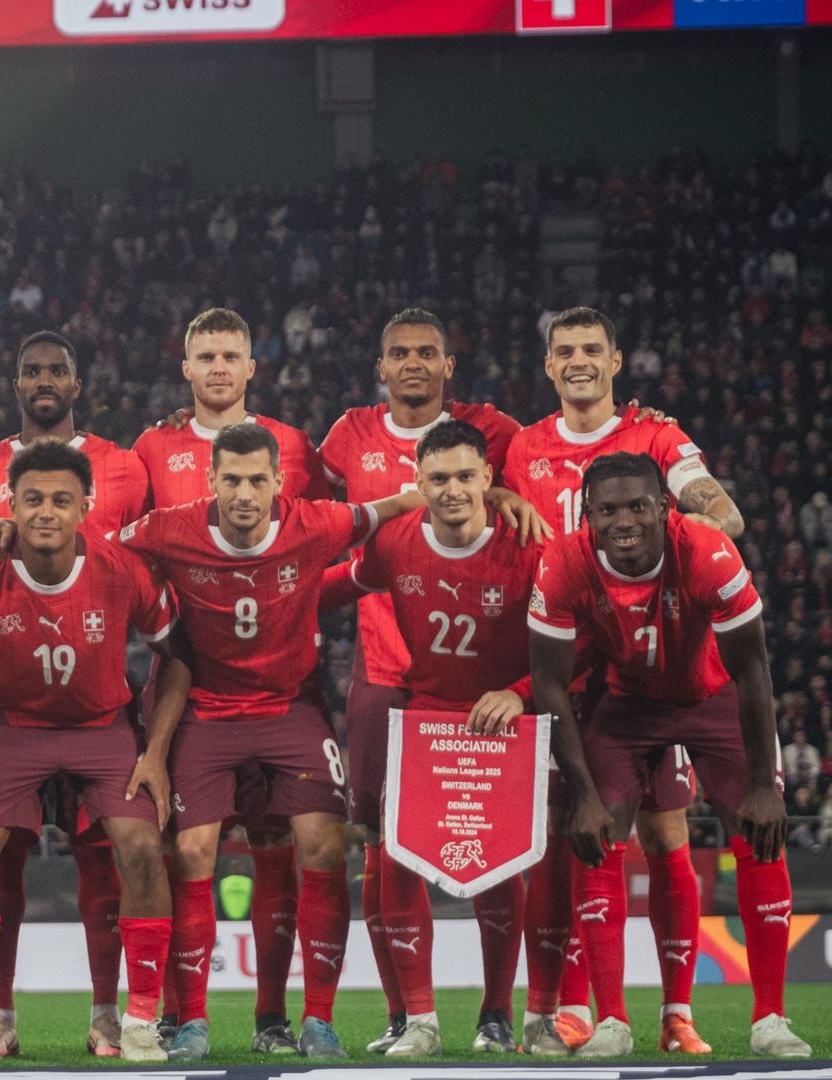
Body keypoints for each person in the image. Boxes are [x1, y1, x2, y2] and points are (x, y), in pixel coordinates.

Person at [115, 422, 423, 1060]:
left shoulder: (316, 522)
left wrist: (495, 496)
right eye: (232, 479)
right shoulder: (170, 527)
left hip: (290, 709)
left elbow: (392, 506)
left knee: (325, 842)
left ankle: (317, 1020)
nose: (245, 493)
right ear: (211, 481)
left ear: (279, 482)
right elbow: (99, 547)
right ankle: (193, 1022)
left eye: (258, 479)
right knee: (194, 851)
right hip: (207, 711)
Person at [501, 306, 746, 1056]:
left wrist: (713, 519)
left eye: (591, 349)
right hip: (556, 668)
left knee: (666, 831)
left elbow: (709, 501)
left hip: (643, 672)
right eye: (564, 350)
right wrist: (503, 498)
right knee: (572, 839)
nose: (578, 360)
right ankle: (573, 1008)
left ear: (615, 360)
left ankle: (678, 1012)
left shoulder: (655, 436)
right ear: (548, 365)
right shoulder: (521, 449)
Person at [528, 453, 810, 1058]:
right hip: (628, 703)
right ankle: (613, 1023)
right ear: (587, 515)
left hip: (715, 696)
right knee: (594, 835)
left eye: (637, 506)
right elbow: (549, 685)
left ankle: (771, 1020)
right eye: (607, 510)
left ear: (665, 506)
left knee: (760, 834)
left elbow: (754, 669)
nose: (623, 520)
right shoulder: (564, 562)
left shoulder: (708, 554)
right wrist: (581, 795)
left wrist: (764, 784)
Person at [316, 308, 540, 1056]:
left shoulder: (496, 431)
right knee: (382, 850)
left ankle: (501, 1011)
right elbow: (320, 527)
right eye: (398, 353)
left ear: (450, 364)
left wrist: (512, 498)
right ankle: (405, 1015)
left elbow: (526, 482)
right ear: (379, 367)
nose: (412, 363)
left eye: (427, 352)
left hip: (485, 686)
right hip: (387, 680)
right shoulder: (348, 435)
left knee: (498, 847)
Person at [0, 441, 192, 1063]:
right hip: (12, 727)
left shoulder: (121, 568)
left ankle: (137, 1023)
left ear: (86, 507)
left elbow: (177, 657)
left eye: (61, 500)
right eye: (33, 499)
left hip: (102, 728)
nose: (46, 512)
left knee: (144, 851)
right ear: (10, 505)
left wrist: (154, 752)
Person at [0, 331, 150, 1057]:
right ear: (15, 383)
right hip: (10, 697)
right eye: (30, 369)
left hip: (100, 695)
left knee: (106, 858)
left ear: (76, 383)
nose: (43, 380)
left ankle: (108, 1015)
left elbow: (141, 560)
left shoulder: (126, 465)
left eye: (56, 370)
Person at [130, 307, 320, 1052]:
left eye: (229, 354)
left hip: (278, 680)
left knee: (279, 843)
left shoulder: (295, 446)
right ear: (185, 368)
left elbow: (327, 527)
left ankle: (273, 1017)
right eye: (203, 354)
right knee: (187, 851)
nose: (216, 367)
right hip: (186, 681)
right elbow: (122, 537)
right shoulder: (151, 445)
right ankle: (182, 1010)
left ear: (251, 366)